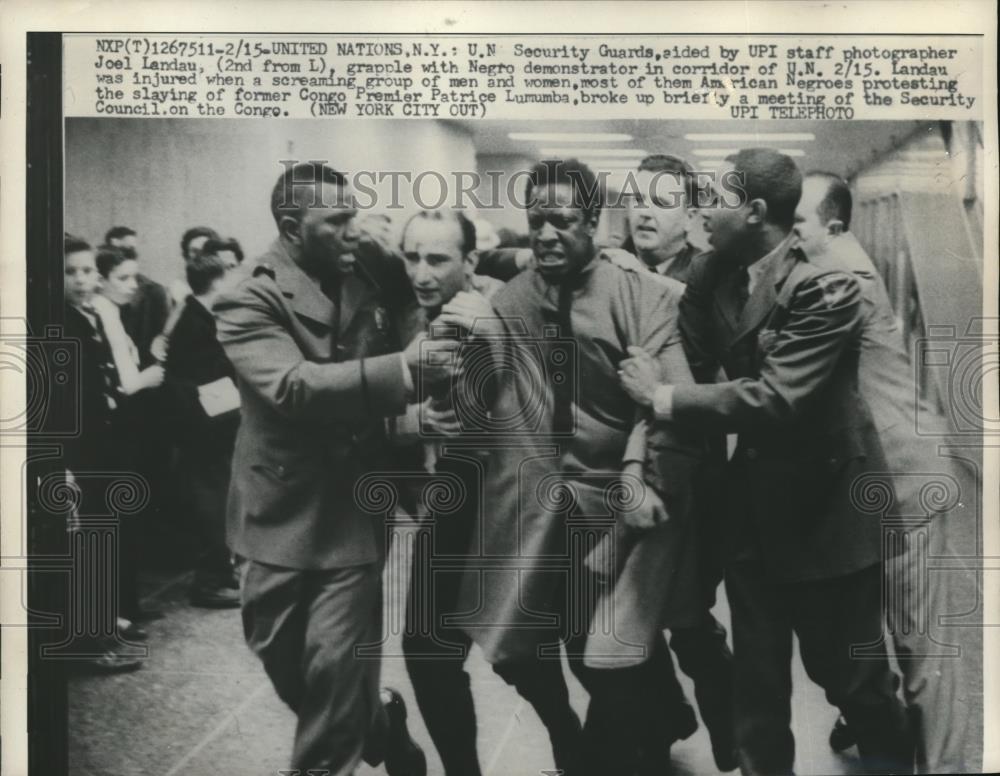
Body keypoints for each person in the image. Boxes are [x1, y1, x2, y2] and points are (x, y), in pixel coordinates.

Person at [619, 149, 913, 775]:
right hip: (752, 513)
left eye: (715, 198)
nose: (700, 208)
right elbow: (690, 362)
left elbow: (779, 398)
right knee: (757, 689)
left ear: (754, 212)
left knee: (851, 681)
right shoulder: (710, 273)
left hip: (829, 513)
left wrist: (664, 398)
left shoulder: (827, 283)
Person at [449, 159, 708, 776]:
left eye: (561, 221)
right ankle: (632, 722)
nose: (544, 234)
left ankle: (629, 749)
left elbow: (676, 407)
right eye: (535, 221)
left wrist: (643, 475)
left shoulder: (639, 296)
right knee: (529, 644)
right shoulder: (511, 301)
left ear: (593, 222)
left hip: (626, 502)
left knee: (606, 656)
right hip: (541, 509)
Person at [214, 162, 457, 776]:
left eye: (355, 216)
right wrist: (404, 371)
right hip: (279, 511)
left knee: (332, 674)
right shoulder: (249, 297)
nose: (355, 231)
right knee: (288, 665)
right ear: (293, 227)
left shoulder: (367, 260)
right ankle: (383, 727)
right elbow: (293, 387)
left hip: (353, 508)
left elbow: (410, 298)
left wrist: (420, 348)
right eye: (338, 221)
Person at [796, 172, 976, 773]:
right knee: (873, 632)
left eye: (796, 226)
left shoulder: (842, 276)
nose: (788, 240)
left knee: (923, 650)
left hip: (905, 482)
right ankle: (874, 721)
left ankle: (945, 767)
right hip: (877, 482)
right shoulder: (840, 263)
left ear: (835, 226)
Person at [391, 209, 502, 776]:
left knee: (528, 663)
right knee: (427, 651)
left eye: (437, 259)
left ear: (470, 262)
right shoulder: (405, 318)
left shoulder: (501, 307)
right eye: (412, 257)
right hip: (450, 498)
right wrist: (413, 423)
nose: (422, 271)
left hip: (515, 501)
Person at [62, 235, 158, 671]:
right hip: (77, 449)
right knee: (83, 545)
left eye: (86, 271)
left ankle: (99, 630)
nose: (83, 280)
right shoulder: (60, 322)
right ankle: (87, 643)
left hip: (98, 443)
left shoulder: (87, 317)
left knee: (98, 539)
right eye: (71, 272)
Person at [93, 246, 169, 627]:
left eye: (134, 277)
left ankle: (126, 606)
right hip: (117, 427)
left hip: (126, 425)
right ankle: (120, 610)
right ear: (100, 279)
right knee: (119, 520)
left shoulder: (113, 313)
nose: (132, 286)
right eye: (122, 278)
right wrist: (146, 378)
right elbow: (121, 381)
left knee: (126, 518)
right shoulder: (101, 314)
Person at [163, 252, 242, 609]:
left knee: (219, 503)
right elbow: (196, 378)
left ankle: (220, 575)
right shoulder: (193, 322)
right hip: (204, 430)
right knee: (211, 506)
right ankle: (210, 582)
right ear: (219, 281)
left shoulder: (198, 315)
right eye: (231, 275)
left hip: (213, 425)